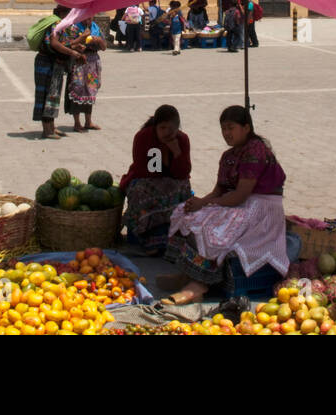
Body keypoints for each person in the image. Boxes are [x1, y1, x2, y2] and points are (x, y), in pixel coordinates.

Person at [160, 105, 288, 305]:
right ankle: (188, 274)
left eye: (231, 128)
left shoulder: (255, 150)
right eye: (223, 129)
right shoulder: (229, 156)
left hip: (259, 208)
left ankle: (199, 284)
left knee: (210, 228)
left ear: (246, 128)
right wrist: (201, 202)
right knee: (184, 214)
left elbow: (241, 195)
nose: (226, 133)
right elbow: (219, 190)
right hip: (236, 203)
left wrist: (209, 203)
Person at [119, 105, 193, 255]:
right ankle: (148, 239)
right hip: (144, 179)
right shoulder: (143, 137)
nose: (166, 133)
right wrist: (164, 156)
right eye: (162, 128)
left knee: (183, 189)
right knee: (143, 193)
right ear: (155, 127)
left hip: (171, 181)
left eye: (171, 129)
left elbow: (183, 173)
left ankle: (174, 239)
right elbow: (143, 170)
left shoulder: (182, 139)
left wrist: (177, 152)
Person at [59, 16, 107, 131]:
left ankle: (88, 121)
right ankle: (77, 123)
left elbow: (104, 47)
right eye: (86, 17)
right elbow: (68, 45)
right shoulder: (74, 28)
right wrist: (82, 38)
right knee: (78, 89)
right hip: (79, 62)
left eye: (90, 17)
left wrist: (99, 40)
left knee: (90, 90)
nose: (88, 19)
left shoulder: (96, 28)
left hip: (93, 63)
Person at [33, 5, 72, 139]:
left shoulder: (59, 23)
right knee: (46, 94)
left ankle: (52, 127)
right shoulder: (55, 23)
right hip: (46, 64)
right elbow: (55, 44)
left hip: (53, 63)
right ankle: (47, 130)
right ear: (62, 12)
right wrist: (72, 52)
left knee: (53, 94)